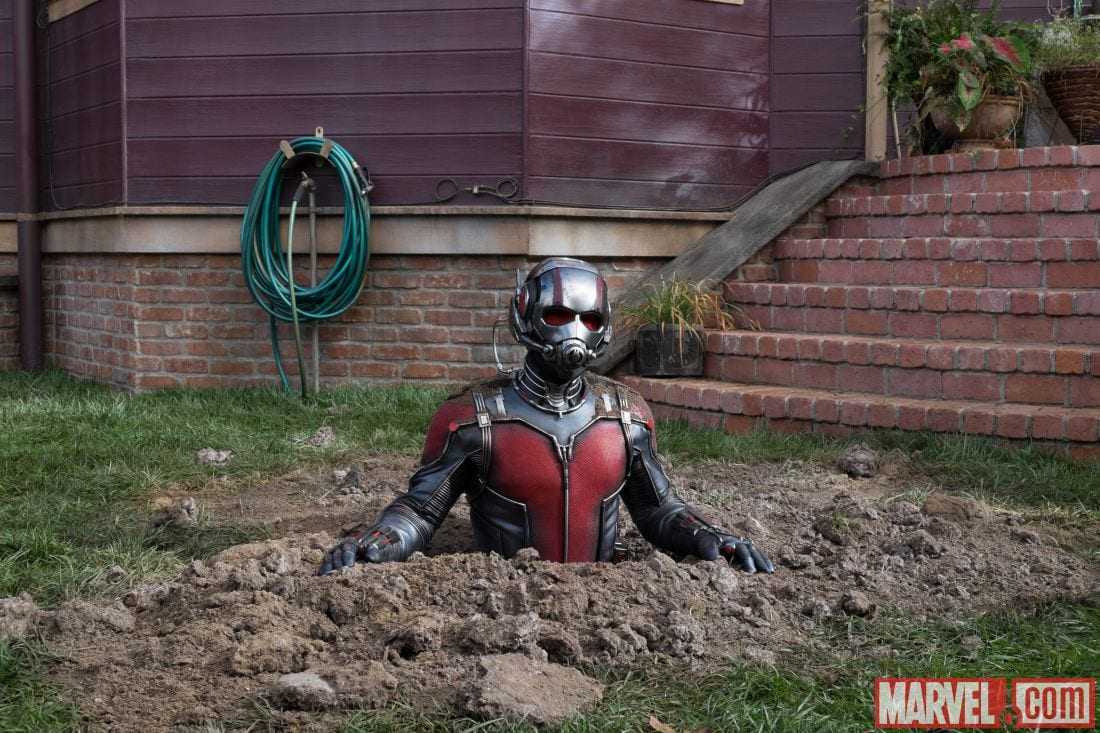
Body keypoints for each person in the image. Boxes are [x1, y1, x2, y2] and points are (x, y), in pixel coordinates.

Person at [321, 257, 774, 574]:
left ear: (604, 327)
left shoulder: (627, 416)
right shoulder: (473, 419)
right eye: (557, 314)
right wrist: (379, 542)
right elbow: (421, 512)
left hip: (605, 599)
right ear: (526, 316)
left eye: (590, 319)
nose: (575, 331)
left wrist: (707, 536)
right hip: (504, 599)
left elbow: (656, 508)